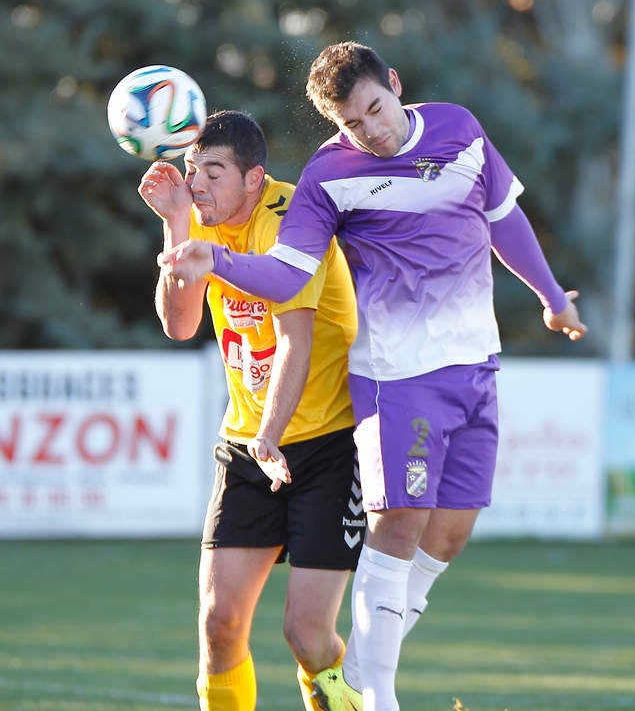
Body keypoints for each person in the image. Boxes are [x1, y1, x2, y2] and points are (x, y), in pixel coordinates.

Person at [158, 43, 588, 711]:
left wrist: (553, 296)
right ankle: (377, 696)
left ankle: (357, 675)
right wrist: (214, 257)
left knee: (450, 533)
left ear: (394, 84)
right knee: (399, 522)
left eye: (375, 110)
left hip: (474, 366)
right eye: (353, 124)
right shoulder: (329, 176)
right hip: (396, 375)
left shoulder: (460, 130)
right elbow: (286, 276)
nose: (372, 130)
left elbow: (504, 221)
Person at [138, 109, 365, 711]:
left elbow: (297, 339)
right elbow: (179, 324)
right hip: (246, 448)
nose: (198, 184)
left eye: (214, 171)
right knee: (218, 627)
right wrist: (178, 222)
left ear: (254, 178)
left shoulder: (293, 221)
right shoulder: (200, 219)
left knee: (307, 637)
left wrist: (271, 434)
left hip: (327, 447)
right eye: (192, 170)